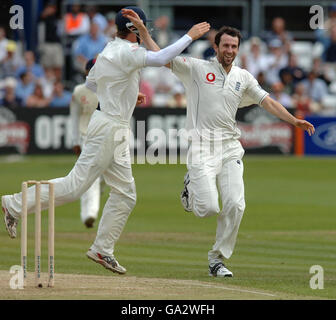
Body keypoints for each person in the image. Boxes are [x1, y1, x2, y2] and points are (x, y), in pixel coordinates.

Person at [2, 7, 210, 275]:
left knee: (125, 194)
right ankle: (14, 204)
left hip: (114, 125)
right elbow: (161, 59)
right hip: (109, 126)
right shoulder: (125, 52)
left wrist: (124, 93)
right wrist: (190, 36)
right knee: (75, 186)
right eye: (142, 27)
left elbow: (91, 85)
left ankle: (102, 249)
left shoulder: (108, 51)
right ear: (134, 30)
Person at [166, 26, 315, 278]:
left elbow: (267, 101)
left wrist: (293, 120)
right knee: (210, 208)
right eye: (225, 45)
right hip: (202, 146)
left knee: (236, 204)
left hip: (230, 148)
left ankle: (217, 259)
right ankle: (190, 189)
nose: (230, 50)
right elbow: (161, 57)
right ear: (216, 47)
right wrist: (144, 33)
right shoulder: (197, 68)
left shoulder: (243, 77)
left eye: (234, 46)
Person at [70, 59, 101, 228]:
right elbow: (74, 117)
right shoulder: (79, 91)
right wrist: (75, 141)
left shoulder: (107, 88)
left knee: (103, 179)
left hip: (106, 138)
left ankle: (91, 208)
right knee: (90, 178)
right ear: (87, 72)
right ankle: (89, 214)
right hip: (86, 137)